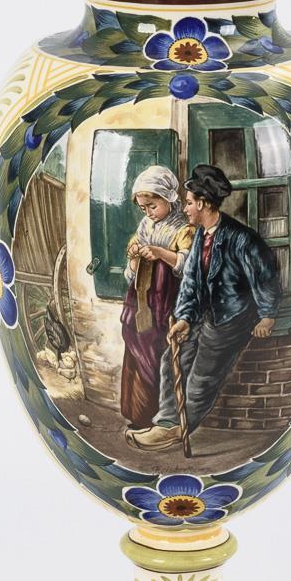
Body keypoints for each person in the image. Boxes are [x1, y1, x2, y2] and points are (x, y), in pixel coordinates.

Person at [126, 164, 281, 451]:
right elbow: (190, 281)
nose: (184, 208)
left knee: (202, 374)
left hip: (231, 316)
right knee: (171, 358)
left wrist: (267, 315)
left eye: (187, 203)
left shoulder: (241, 238)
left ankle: (180, 428)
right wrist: (185, 318)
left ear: (202, 203)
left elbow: (266, 277)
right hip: (203, 314)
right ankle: (166, 423)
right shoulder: (200, 236)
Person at [119, 167, 195, 429]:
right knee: (136, 347)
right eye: (143, 208)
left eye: (152, 206)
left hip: (166, 299)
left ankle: (159, 417)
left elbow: (187, 265)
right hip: (141, 297)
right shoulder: (144, 226)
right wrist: (134, 257)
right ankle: (138, 414)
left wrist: (160, 253)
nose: (148, 212)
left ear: (169, 198)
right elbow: (131, 272)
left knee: (157, 351)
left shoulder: (183, 228)